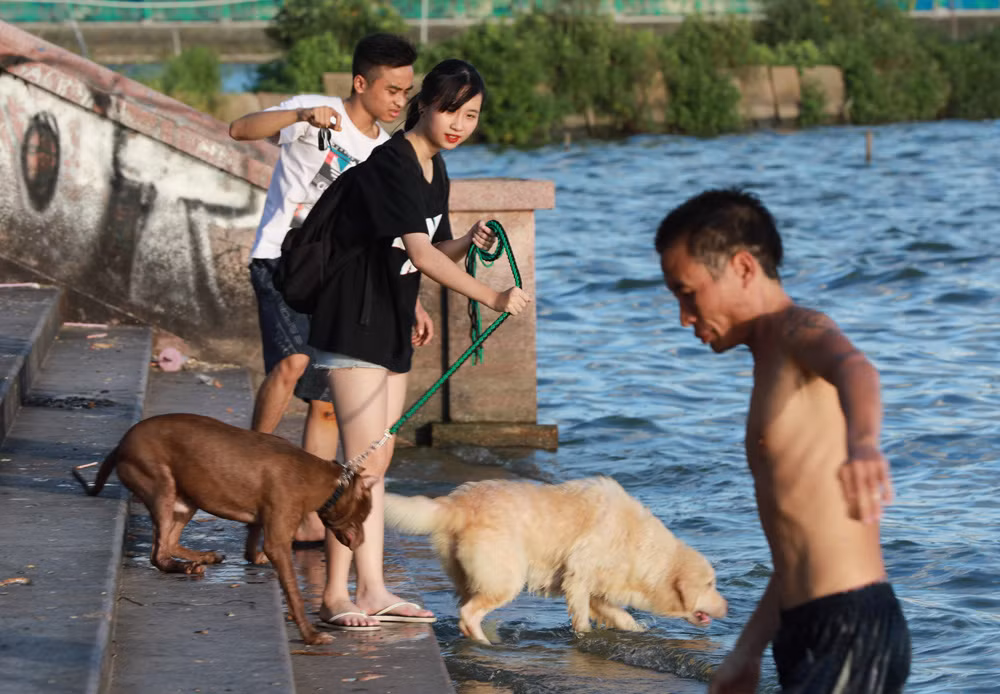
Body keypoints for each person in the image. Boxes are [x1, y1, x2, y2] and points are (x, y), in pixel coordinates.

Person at [297, 58, 531, 629]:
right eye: (450, 109)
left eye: (470, 115)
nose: (458, 123)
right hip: (355, 319)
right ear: (424, 104)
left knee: (377, 460)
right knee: (354, 467)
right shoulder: (393, 164)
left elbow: (432, 248)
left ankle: (372, 587)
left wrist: (465, 244)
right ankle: (333, 595)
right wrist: (491, 297)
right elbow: (420, 254)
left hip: (393, 319)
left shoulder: (435, 168)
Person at [654, 189, 910, 693]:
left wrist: (863, 444)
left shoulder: (798, 330)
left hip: (851, 626)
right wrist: (746, 654)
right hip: (801, 629)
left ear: (744, 268)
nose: (684, 316)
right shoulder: (765, 361)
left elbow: (855, 367)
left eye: (688, 293)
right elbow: (796, 549)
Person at [230, 34, 429, 543]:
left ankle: (304, 514)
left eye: (406, 92)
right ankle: (246, 481)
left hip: (336, 280)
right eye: (391, 90)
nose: (399, 101)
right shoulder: (310, 111)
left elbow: (391, 235)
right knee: (292, 365)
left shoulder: (387, 152)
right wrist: (299, 118)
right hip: (280, 258)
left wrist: (416, 301)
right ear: (361, 83)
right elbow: (239, 128)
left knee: (324, 401)